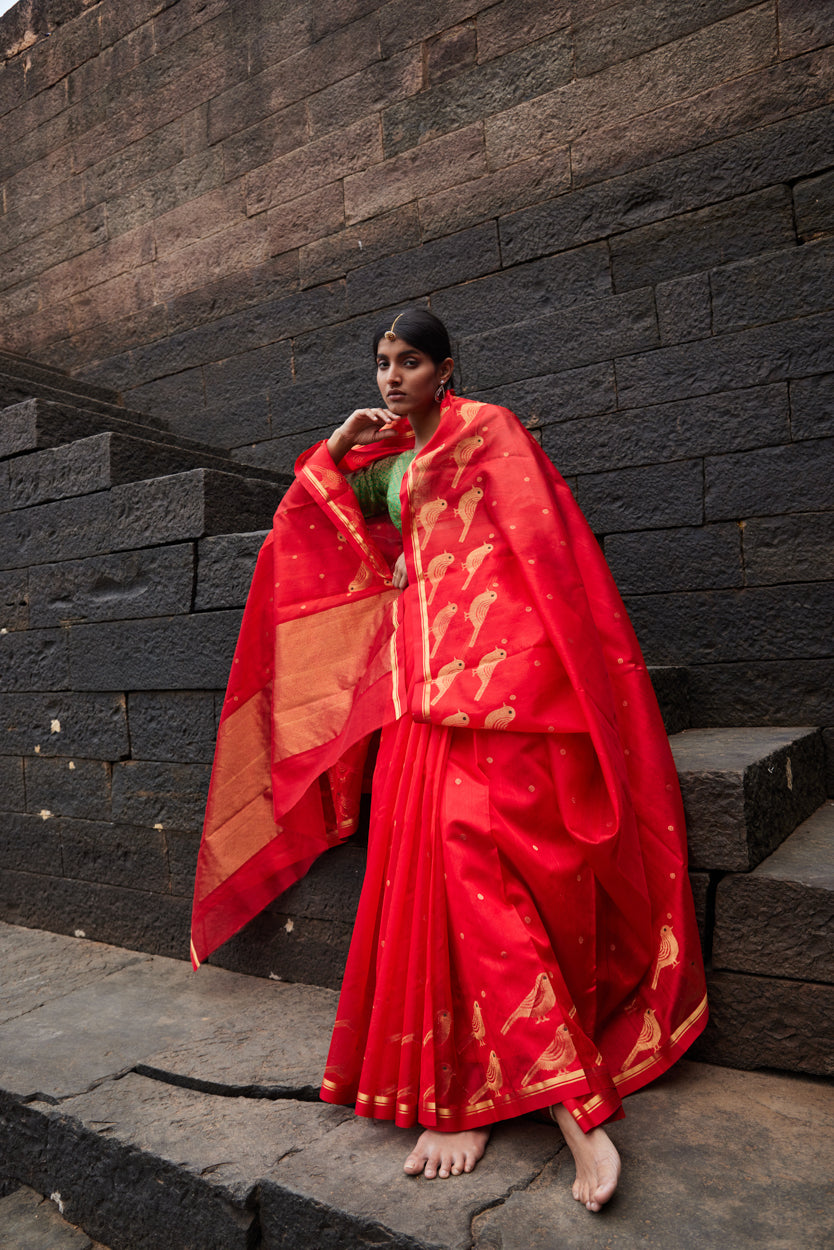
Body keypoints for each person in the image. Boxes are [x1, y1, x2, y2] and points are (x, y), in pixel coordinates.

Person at [190, 307, 708, 1213]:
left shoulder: (490, 432)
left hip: (494, 700)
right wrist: (335, 448)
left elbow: (540, 559)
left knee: (476, 872)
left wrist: (491, 678)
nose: (392, 378)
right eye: (383, 363)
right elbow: (316, 538)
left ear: (446, 370)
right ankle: (475, 1100)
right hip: (419, 706)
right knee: (441, 887)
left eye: (411, 363)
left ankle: (562, 1115)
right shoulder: (383, 462)